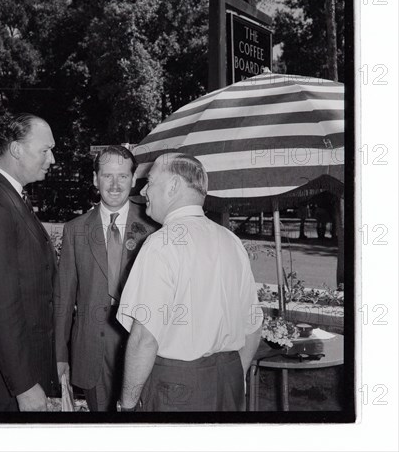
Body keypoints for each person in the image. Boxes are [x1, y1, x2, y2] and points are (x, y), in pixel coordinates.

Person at [116, 153, 262, 412]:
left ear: (173, 186)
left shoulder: (161, 244)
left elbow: (144, 339)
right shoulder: (231, 241)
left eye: (150, 181)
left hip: (176, 387)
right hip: (229, 381)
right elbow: (253, 326)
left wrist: (126, 406)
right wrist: (231, 376)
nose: (145, 190)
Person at [0, 113, 58, 412]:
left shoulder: (7, 196)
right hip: (11, 383)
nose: (52, 159)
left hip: (17, 370)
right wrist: (25, 386)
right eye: (45, 150)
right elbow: (0, 306)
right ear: (16, 149)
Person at [54, 146, 158, 412]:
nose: (114, 185)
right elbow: (63, 299)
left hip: (141, 346)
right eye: (107, 176)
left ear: (134, 180)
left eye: (122, 176)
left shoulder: (154, 227)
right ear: (94, 179)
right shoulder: (75, 230)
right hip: (92, 351)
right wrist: (59, 357)